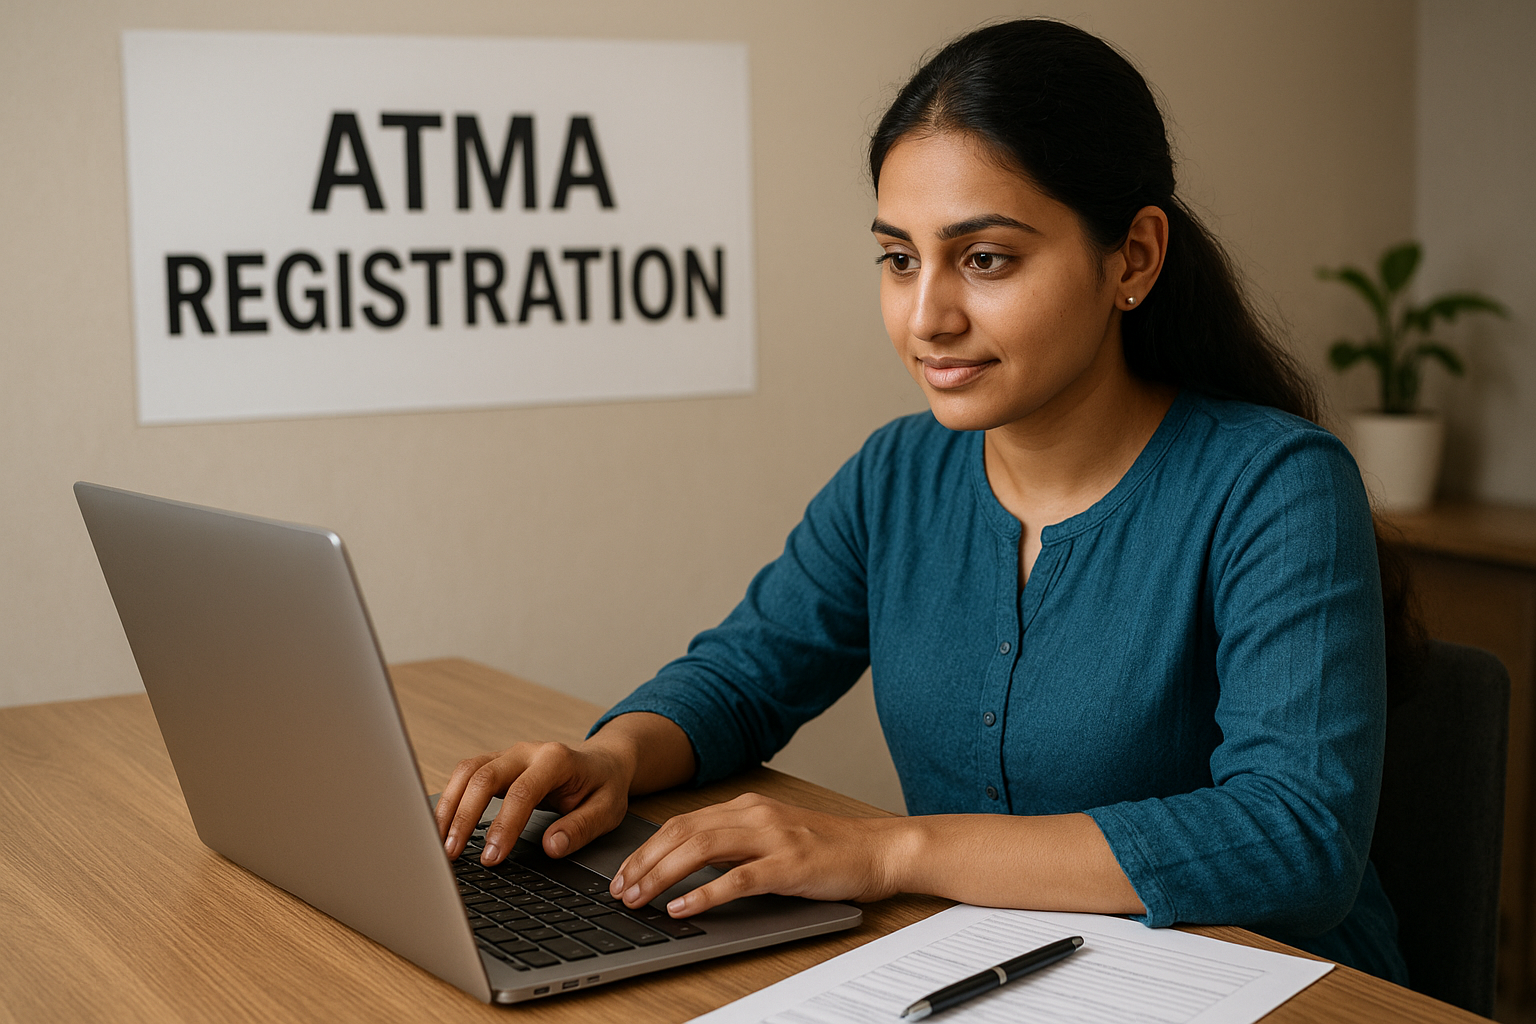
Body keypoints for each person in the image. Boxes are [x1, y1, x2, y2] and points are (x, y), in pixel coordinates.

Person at [435, 18, 1411, 983]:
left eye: (985, 258)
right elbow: (744, 675)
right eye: (900, 258)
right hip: (993, 971)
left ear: (1134, 259)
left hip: (1263, 985)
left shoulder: (1276, 483)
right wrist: (612, 756)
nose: (928, 317)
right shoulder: (898, 473)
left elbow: (1295, 837)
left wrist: (893, 851)